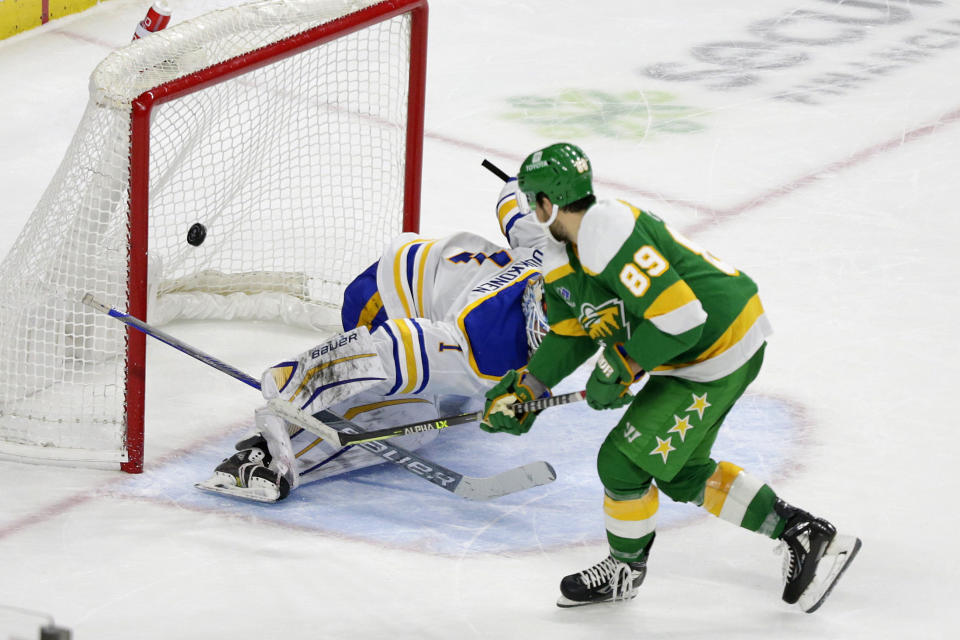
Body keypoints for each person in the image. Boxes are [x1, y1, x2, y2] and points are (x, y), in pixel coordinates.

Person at [480, 142, 861, 612]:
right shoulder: (564, 253)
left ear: (545, 203)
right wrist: (529, 387)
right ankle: (803, 534)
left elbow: (683, 317)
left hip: (717, 344)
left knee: (622, 463)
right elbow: (574, 332)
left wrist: (621, 363)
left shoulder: (608, 232)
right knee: (680, 471)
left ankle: (626, 568)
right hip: (696, 349)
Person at [201, 181, 547, 502]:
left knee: (464, 393)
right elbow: (392, 348)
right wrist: (306, 379)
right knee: (415, 422)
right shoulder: (486, 348)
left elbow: (515, 195)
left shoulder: (560, 253)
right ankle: (266, 462)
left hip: (418, 276)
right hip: (381, 299)